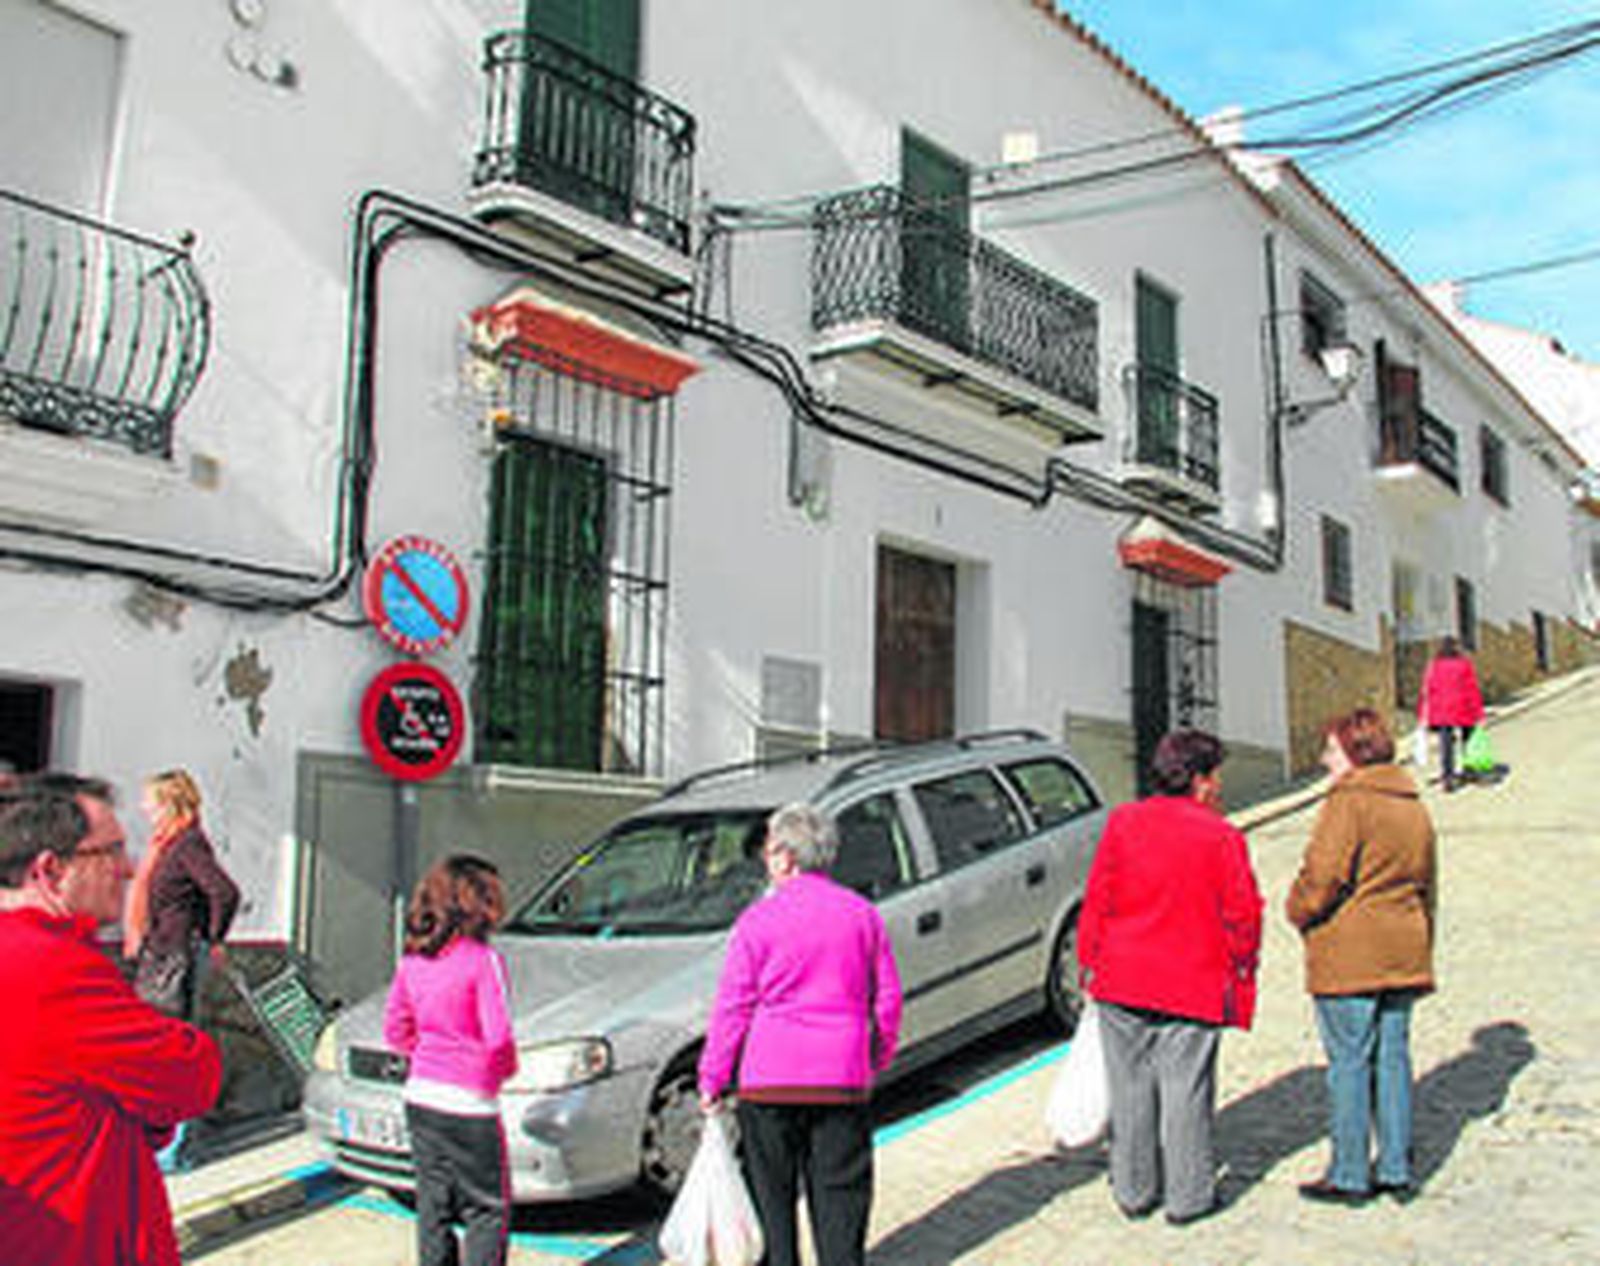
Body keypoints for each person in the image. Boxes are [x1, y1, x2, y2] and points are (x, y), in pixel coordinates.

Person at [0, 773, 222, 1266]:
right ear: (49, 871)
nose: (128, 870)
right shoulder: (57, 968)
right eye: (111, 852)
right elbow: (189, 1075)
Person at [698, 803, 903, 1266]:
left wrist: (713, 1077)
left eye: (769, 851)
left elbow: (733, 1008)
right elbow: (887, 1000)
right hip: (840, 1079)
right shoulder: (862, 915)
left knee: (772, 1204)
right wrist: (876, 1057)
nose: (766, 861)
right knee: (841, 1202)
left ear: (787, 857)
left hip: (768, 1081)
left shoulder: (757, 921)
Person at [1077, 730, 1263, 1226]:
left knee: (1129, 1087)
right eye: (1215, 774)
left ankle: (1134, 1189)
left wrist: (1088, 958)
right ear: (1199, 781)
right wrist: (1242, 966)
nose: (1220, 785)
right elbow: (1242, 915)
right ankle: (1188, 1196)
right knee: (1186, 1091)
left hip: (1123, 975)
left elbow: (1099, 896)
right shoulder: (1222, 836)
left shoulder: (1124, 823)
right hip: (1193, 979)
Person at [1287, 708, 1437, 1205]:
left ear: (1354, 751)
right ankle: (1395, 1165)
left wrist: (1299, 910)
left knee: (1349, 1061)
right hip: (1403, 945)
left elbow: (1324, 875)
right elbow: (1428, 883)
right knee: (1393, 1057)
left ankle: (1350, 1170)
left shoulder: (1349, 801)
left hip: (1351, 952)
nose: (1325, 759)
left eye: (1331, 749)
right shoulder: (1412, 804)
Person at [384, 855, 518, 1266]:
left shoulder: (413, 961)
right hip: (470, 1100)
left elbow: (396, 1029)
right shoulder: (481, 960)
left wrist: (425, 1059)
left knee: (433, 1206)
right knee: (486, 1210)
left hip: (422, 1096)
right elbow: (498, 1039)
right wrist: (495, 1076)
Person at [125, 768, 240, 1170]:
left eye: (151, 803)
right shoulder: (168, 844)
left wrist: (211, 938)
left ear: (171, 804)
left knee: (172, 1049)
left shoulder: (188, 843)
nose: (145, 810)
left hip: (174, 961)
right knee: (162, 1048)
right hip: (160, 956)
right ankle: (166, 1141)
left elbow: (224, 892)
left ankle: (176, 1146)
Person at [1417, 636, 1485, 791]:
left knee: (1445, 744)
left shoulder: (1434, 666)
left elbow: (1427, 689)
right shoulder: (1464, 665)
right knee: (1468, 737)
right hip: (1462, 707)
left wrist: (1423, 713)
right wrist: (1478, 711)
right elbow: (1471, 688)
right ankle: (1469, 768)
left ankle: (1448, 776)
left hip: (1441, 709)